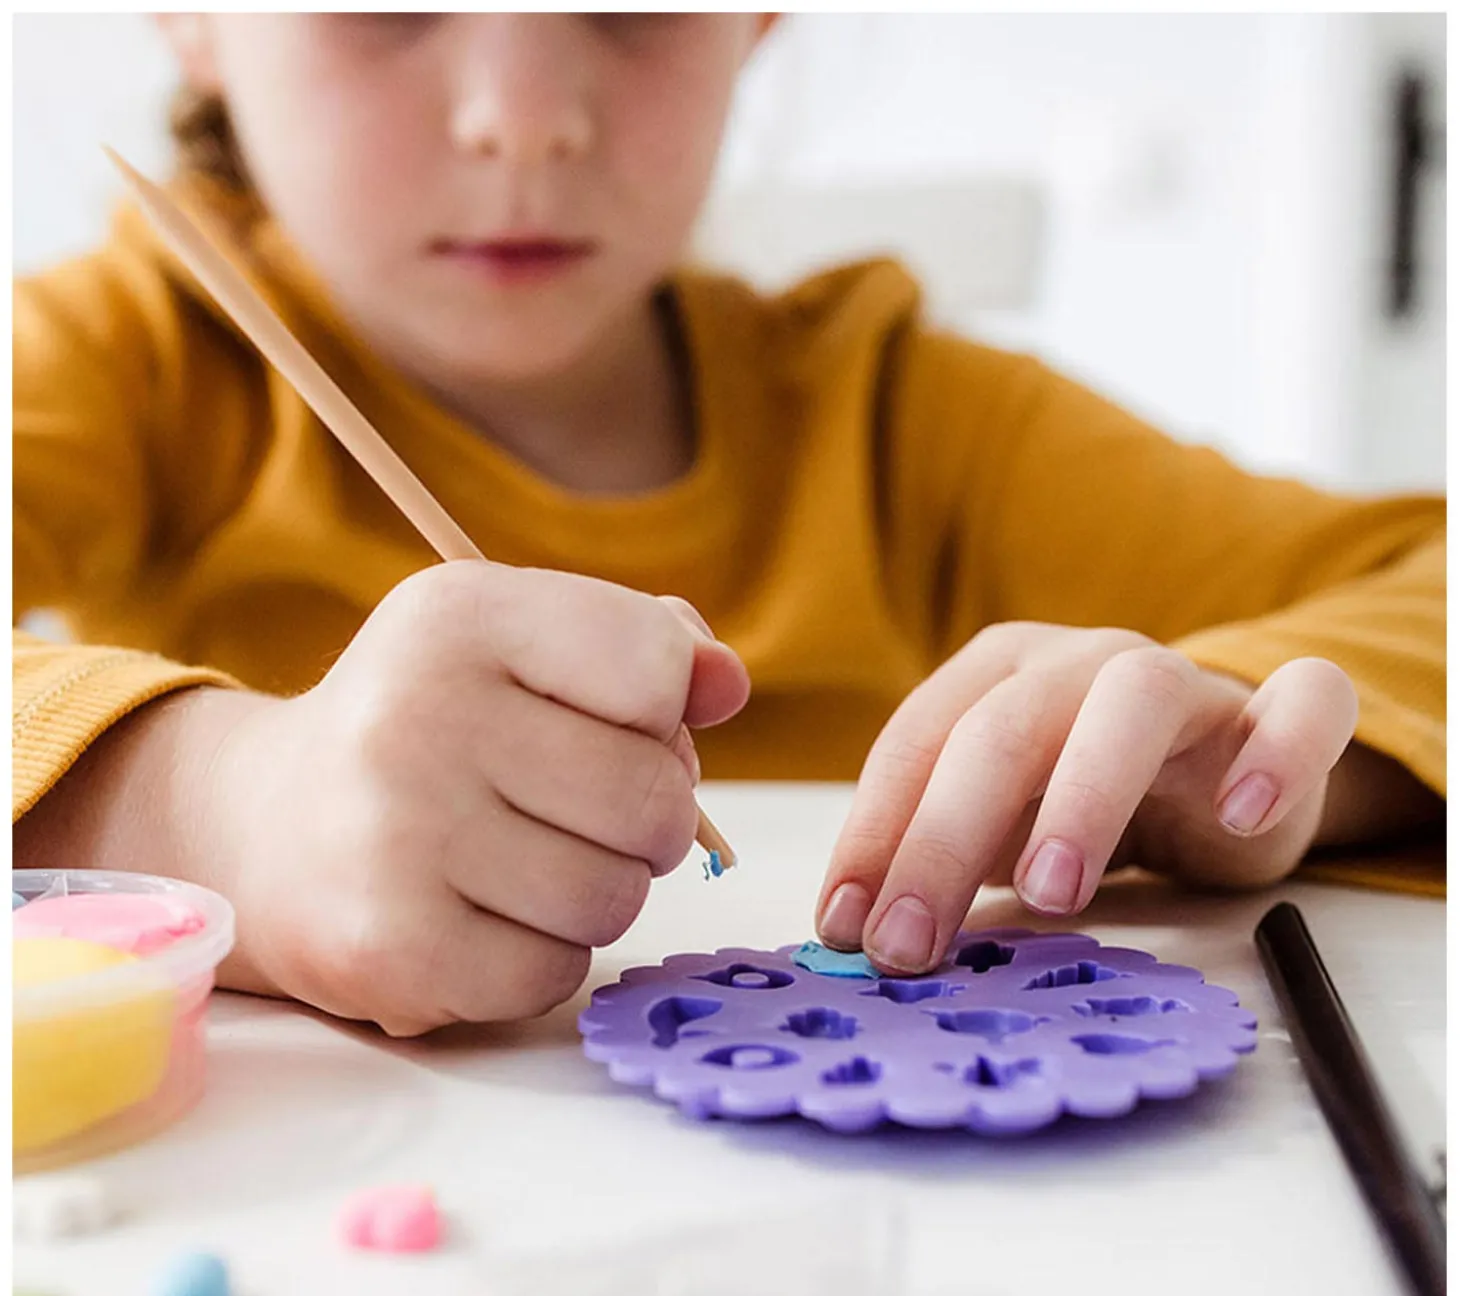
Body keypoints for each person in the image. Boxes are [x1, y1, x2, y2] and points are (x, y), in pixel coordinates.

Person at [13, 14, 1444, 1036]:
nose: (523, 113)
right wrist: (216, 813)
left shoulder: (900, 420)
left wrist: (1266, 768)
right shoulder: (128, 362)